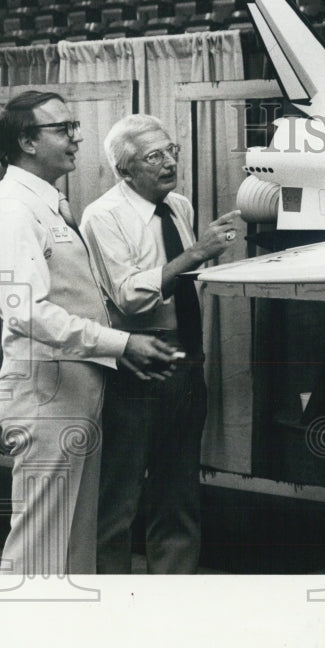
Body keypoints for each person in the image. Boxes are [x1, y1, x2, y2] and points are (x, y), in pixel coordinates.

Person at [0, 91, 179, 576]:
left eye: (74, 126)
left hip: (73, 391)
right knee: (39, 551)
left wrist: (118, 346)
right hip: (46, 395)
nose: (77, 137)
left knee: (71, 548)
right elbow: (25, 312)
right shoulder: (12, 211)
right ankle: (16, 646)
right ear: (27, 141)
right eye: (63, 128)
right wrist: (122, 342)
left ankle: (62, 644)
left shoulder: (47, 204)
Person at [80, 113, 241, 573]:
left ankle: (172, 595)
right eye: (155, 156)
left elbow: (188, 278)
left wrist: (203, 262)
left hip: (189, 354)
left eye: (172, 150)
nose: (170, 162)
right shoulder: (104, 215)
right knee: (119, 492)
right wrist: (197, 253)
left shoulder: (180, 207)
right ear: (125, 169)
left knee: (178, 489)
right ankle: (110, 601)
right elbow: (130, 297)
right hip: (139, 359)